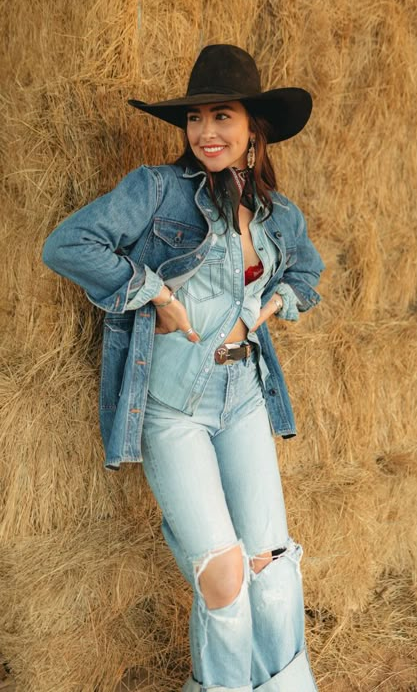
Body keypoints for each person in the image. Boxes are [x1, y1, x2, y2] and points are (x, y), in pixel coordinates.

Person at [43, 44, 325, 692]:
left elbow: (307, 270)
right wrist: (152, 291)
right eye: (195, 118)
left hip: (245, 397)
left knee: (273, 573)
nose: (204, 132)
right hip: (173, 408)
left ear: (255, 128)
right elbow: (67, 244)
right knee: (224, 576)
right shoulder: (158, 190)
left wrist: (277, 302)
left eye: (221, 116)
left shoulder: (279, 215)